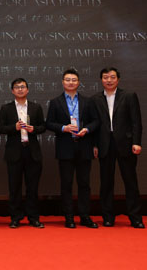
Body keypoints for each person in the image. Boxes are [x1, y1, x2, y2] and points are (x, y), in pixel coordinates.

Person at [46, 68, 100, 228]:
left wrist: (87, 129)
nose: (71, 82)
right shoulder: (55, 102)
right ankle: (69, 217)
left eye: (74, 80)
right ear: (63, 82)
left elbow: (96, 121)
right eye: (68, 80)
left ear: (79, 82)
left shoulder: (88, 101)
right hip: (65, 147)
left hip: (84, 146)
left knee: (84, 184)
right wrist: (63, 128)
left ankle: (85, 216)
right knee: (66, 184)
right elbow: (49, 123)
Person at [92, 67, 144, 228]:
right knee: (106, 183)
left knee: (130, 182)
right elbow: (94, 124)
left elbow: (136, 121)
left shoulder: (129, 96)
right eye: (105, 77)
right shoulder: (95, 99)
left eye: (112, 77)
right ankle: (108, 217)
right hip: (104, 144)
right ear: (101, 80)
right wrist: (95, 145)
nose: (109, 80)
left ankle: (136, 218)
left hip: (126, 144)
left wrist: (136, 142)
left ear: (118, 79)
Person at [0, 78, 46, 228]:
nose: (20, 89)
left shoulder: (36, 107)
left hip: (32, 151)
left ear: (27, 89)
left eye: (23, 87)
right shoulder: (6, 108)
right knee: (14, 187)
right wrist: (15, 127)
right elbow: (0, 128)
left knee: (33, 187)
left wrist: (34, 129)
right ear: (12, 91)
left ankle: (33, 217)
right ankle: (15, 217)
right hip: (14, 152)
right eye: (17, 87)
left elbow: (43, 127)